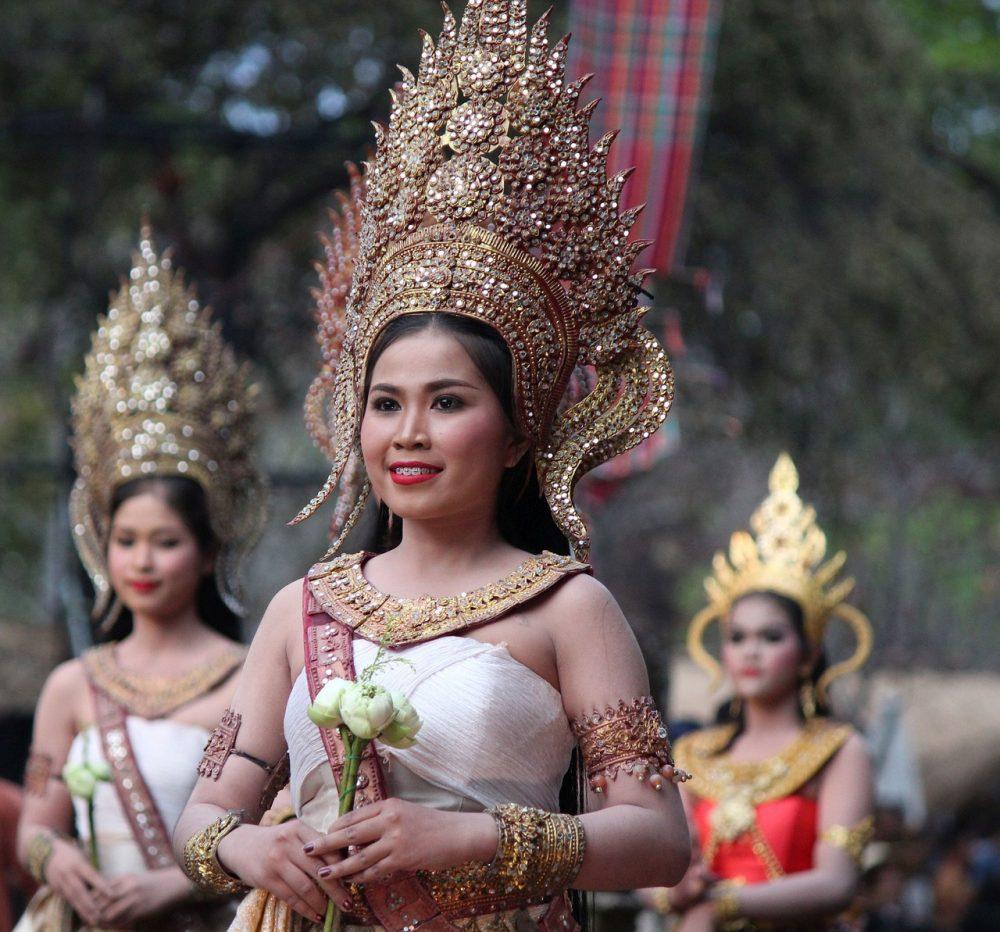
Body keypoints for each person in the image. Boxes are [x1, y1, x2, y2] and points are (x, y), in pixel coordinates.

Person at [172, 1, 692, 929]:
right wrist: (252, 846)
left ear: (520, 433)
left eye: (447, 403)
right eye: (385, 403)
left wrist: (475, 839)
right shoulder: (305, 609)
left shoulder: (568, 607)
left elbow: (657, 839)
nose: (407, 433)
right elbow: (208, 813)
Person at [15, 227, 267, 931]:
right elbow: (37, 824)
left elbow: (273, 830)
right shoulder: (75, 684)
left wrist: (176, 887)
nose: (142, 562)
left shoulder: (251, 678)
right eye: (126, 541)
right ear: (103, 546)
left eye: (166, 542)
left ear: (211, 551)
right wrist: (55, 859)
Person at [647, 454, 875, 930]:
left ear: (809, 656)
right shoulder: (694, 753)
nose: (750, 652)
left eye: (771, 638)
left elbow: (837, 883)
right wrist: (676, 893)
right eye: (737, 637)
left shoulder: (837, 750)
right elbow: (657, 873)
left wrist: (723, 906)